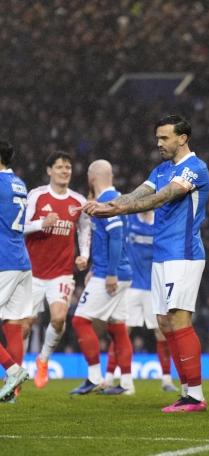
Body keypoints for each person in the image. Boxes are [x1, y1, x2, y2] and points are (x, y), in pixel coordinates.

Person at [84, 114, 209, 413]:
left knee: (179, 320)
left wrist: (117, 211)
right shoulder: (161, 169)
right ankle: (186, 390)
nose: (159, 143)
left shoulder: (195, 168)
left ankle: (195, 395)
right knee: (165, 323)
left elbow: (161, 199)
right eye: (157, 138)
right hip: (161, 255)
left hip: (183, 253)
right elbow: (137, 194)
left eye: (165, 137)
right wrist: (109, 205)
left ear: (182, 138)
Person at [24, 151, 91, 389]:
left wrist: (84, 255)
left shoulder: (78, 201)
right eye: (60, 167)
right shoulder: (37, 196)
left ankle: (43, 360)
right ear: (49, 170)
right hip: (32, 272)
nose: (65, 171)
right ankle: (17, 372)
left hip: (61, 272)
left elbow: (84, 230)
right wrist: (41, 224)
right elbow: (20, 226)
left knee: (59, 318)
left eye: (68, 167)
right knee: (25, 324)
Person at [70, 159, 134, 395]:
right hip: (118, 271)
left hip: (112, 273)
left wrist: (110, 273)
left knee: (80, 321)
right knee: (118, 328)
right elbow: (106, 240)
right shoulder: (114, 198)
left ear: (92, 177)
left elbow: (116, 238)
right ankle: (126, 384)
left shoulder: (108, 201)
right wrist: (95, 269)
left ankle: (94, 377)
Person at [102, 210, 177, 393]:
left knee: (161, 332)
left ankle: (167, 380)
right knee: (122, 330)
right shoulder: (129, 220)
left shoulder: (160, 222)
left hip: (153, 287)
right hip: (131, 286)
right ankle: (109, 378)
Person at [0, 140, 31, 401]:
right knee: (13, 325)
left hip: (3, 261)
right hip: (21, 261)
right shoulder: (19, 183)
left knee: (13, 324)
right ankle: (12, 392)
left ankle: (12, 371)